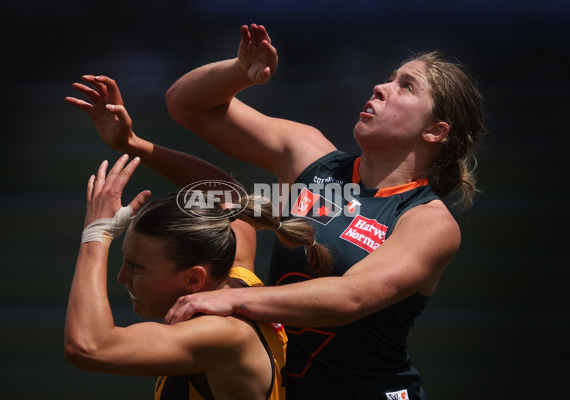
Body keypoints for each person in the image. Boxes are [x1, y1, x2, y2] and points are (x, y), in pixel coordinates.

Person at [159, 24, 485, 399]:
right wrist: (238, 71)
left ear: (434, 131)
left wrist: (231, 298)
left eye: (405, 86)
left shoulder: (429, 221)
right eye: (389, 79)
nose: (381, 88)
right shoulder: (312, 159)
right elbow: (185, 105)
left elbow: (351, 297)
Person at [64, 79, 331, 399]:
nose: (122, 278)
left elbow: (88, 347)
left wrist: (96, 234)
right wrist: (131, 143)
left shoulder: (222, 334)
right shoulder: (235, 274)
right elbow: (230, 196)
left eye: (136, 268)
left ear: (194, 278)